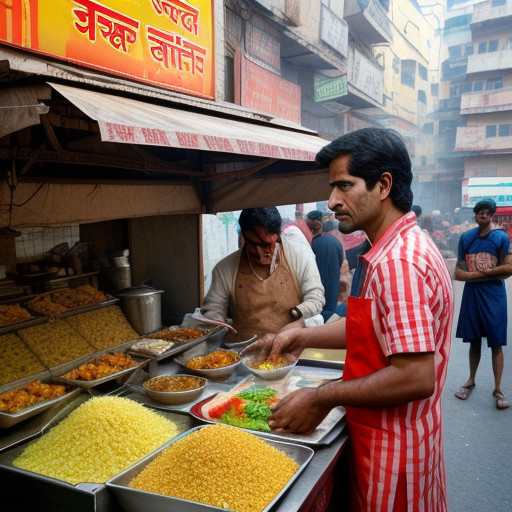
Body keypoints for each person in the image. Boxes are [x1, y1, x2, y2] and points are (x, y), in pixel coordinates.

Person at [247, 128, 454, 511]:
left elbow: (415, 375)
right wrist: (304, 336)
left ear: (383, 185)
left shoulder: (398, 263)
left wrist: (321, 396)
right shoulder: (397, 246)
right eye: (332, 187)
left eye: (344, 186)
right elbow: (374, 327)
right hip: (403, 440)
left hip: (393, 455)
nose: (331, 201)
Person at [201, 207, 325, 340]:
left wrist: (298, 316)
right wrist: (217, 326)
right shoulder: (225, 268)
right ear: (244, 236)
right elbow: (213, 310)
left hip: (290, 348)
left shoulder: (300, 255)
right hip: (243, 352)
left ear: (278, 236)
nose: (263, 253)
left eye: (269, 244)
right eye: (255, 245)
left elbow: (316, 298)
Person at [454, 198, 512, 409]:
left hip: (494, 294)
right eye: (479, 212)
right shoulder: (466, 238)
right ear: (475, 215)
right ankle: (471, 379)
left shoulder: (500, 237)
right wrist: (483, 274)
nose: (482, 216)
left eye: (486, 212)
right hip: (473, 294)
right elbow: (458, 273)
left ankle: (498, 388)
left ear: (491, 216)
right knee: (474, 340)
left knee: (497, 342)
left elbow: (509, 269)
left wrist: (483, 273)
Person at [306, 210, 345, 322]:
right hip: (332, 301)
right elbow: (341, 260)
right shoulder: (334, 241)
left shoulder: (311, 244)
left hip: (316, 306)